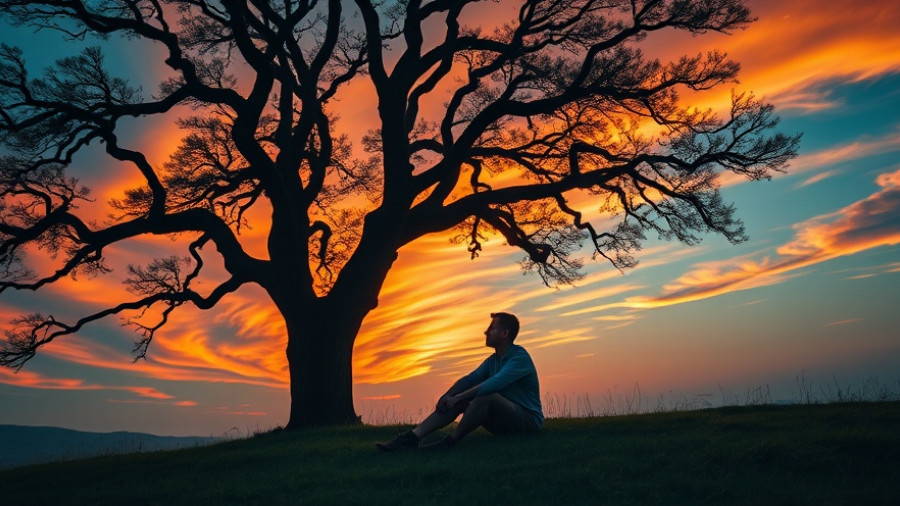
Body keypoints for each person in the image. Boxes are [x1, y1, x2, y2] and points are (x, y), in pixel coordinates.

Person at [376, 312, 543, 451]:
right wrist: (449, 395)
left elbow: (493, 384)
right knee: (463, 398)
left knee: (486, 396)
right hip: (503, 421)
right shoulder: (493, 360)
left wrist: (458, 397)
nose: (486, 332)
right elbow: (470, 379)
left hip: (527, 422)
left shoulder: (519, 358)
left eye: (491, 328)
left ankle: (450, 442)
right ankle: (411, 438)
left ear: (504, 333)